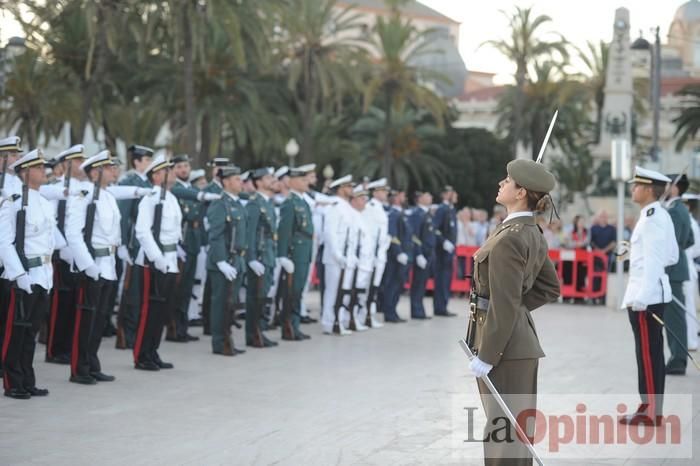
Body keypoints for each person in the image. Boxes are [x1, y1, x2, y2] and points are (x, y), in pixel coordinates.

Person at [467, 159, 560, 464]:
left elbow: (505, 304)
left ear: (520, 192)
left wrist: (487, 355)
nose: (501, 184)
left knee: (502, 432)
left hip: (504, 349)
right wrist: (516, 314)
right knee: (513, 431)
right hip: (516, 344)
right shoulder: (527, 231)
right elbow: (548, 287)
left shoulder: (510, 237)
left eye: (507, 181)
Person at [619, 167, 678, 426]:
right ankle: (650, 407)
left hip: (646, 297)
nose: (633, 189)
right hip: (652, 293)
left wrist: (642, 296)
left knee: (647, 354)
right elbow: (672, 255)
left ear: (647, 190)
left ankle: (650, 411)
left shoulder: (652, 218)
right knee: (650, 353)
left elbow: (656, 260)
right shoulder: (657, 215)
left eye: (636, 186)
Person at [0, 148, 58, 399]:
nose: (43, 171)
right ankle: (13, 381)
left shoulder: (43, 202)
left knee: (31, 331)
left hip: (43, 274)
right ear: (25, 172)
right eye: (38, 167)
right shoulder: (12, 201)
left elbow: (49, 241)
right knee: (16, 330)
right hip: (24, 274)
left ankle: (27, 378)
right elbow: (4, 242)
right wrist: (19, 274)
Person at [64, 150, 121, 384]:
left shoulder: (108, 196)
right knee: (86, 318)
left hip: (108, 264)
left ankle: (92, 363)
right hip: (93, 264)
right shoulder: (84, 194)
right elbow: (73, 234)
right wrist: (88, 265)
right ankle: (79, 368)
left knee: (100, 318)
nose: (113, 171)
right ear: (96, 171)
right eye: (108, 168)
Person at [132, 154, 180, 371]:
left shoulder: (171, 198)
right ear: (157, 175)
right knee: (149, 309)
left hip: (170, 259)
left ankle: (153, 351)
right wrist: (157, 258)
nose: (173, 174)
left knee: (162, 310)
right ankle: (142, 354)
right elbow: (142, 231)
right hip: (154, 261)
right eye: (168, 170)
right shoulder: (150, 199)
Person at [169, 154, 220, 342]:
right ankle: (174, 328)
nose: (183, 170)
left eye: (186, 166)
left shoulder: (190, 188)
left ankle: (183, 327)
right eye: (179, 167)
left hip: (194, 240)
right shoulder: (175, 189)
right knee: (178, 287)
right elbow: (191, 206)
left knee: (187, 287)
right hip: (182, 241)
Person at [115, 145, 154, 349]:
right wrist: (122, 243)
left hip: (145, 246)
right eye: (146, 160)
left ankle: (136, 332)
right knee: (131, 293)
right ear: (136, 162)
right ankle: (125, 334)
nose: (149, 163)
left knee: (141, 293)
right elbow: (123, 216)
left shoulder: (148, 183)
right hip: (132, 245)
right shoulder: (129, 183)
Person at [206, 166, 247, 356]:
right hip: (223, 262)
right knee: (220, 303)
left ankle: (227, 338)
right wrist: (221, 261)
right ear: (226, 182)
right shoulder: (219, 204)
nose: (241, 182)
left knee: (230, 304)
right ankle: (219, 342)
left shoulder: (238, 204)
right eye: (237, 179)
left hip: (236, 260)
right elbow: (216, 236)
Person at [276, 167, 313, 341]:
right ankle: (288, 327)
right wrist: (283, 255)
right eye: (303, 180)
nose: (307, 183)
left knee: (298, 291)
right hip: (295, 252)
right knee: (292, 292)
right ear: (292, 182)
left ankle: (295, 325)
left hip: (304, 251)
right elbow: (284, 231)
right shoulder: (289, 203)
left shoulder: (303, 201)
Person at [663, 174, 694, 376]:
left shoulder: (674, 211)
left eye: (666, 184)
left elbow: (669, 243)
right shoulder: (680, 209)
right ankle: (677, 358)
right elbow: (689, 240)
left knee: (674, 318)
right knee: (674, 316)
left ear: (674, 188)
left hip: (672, 270)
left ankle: (677, 360)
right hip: (677, 268)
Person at [244, 167, 279, 348]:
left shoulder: (268, 203)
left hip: (268, 256)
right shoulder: (254, 203)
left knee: (262, 297)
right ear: (258, 182)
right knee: (255, 297)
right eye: (268, 178)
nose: (273, 180)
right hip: (259, 256)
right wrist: (251, 258)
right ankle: (253, 334)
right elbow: (249, 234)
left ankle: (259, 332)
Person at [320, 175, 358, 335]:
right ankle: (329, 322)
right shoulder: (335, 207)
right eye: (349, 187)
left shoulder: (347, 207)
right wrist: (337, 254)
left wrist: (352, 255)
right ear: (342, 189)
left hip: (346, 257)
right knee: (333, 291)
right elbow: (330, 232)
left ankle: (340, 320)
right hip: (335, 258)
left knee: (344, 290)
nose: (352, 190)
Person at [362, 178, 390, 325]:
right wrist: (371, 253)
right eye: (383, 190)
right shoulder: (371, 207)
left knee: (375, 286)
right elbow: (369, 232)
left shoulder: (380, 207)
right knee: (368, 286)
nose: (386, 193)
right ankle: (365, 315)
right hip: (372, 254)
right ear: (375, 192)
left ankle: (370, 315)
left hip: (380, 253)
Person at [381, 189, 410, 323]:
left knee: (398, 285)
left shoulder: (401, 213)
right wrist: (398, 252)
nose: (404, 197)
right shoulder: (394, 214)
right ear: (397, 197)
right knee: (392, 285)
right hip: (395, 257)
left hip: (403, 255)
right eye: (402, 195)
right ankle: (389, 313)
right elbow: (392, 235)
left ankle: (393, 311)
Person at [409, 191, 435, 319]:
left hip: (428, 253)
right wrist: (418, 254)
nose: (430, 197)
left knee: (422, 284)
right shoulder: (417, 214)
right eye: (427, 196)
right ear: (419, 199)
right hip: (422, 254)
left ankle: (420, 310)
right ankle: (416, 311)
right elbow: (414, 235)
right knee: (418, 283)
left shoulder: (427, 213)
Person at [433, 186, 458, 317]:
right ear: (444, 195)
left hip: (449, 251)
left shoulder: (451, 210)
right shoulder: (442, 209)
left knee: (446, 279)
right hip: (442, 251)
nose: (454, 195)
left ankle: (443, 305)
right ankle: (439, 307)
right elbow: (435, 229)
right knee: (441, 279)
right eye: (450, 193)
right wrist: (443, 242)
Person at [590, 210, 616, 302]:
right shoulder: (593, 228)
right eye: (601, 216)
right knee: (594, 276)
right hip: (595, 257)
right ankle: (593, 296)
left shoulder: (612, 229)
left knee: (605, 276)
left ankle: (603, 297)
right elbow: (591, 242)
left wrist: (604, 251)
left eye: (604, 216)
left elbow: (613, 242)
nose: (603, 218)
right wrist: (598, 251)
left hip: (607, 256)